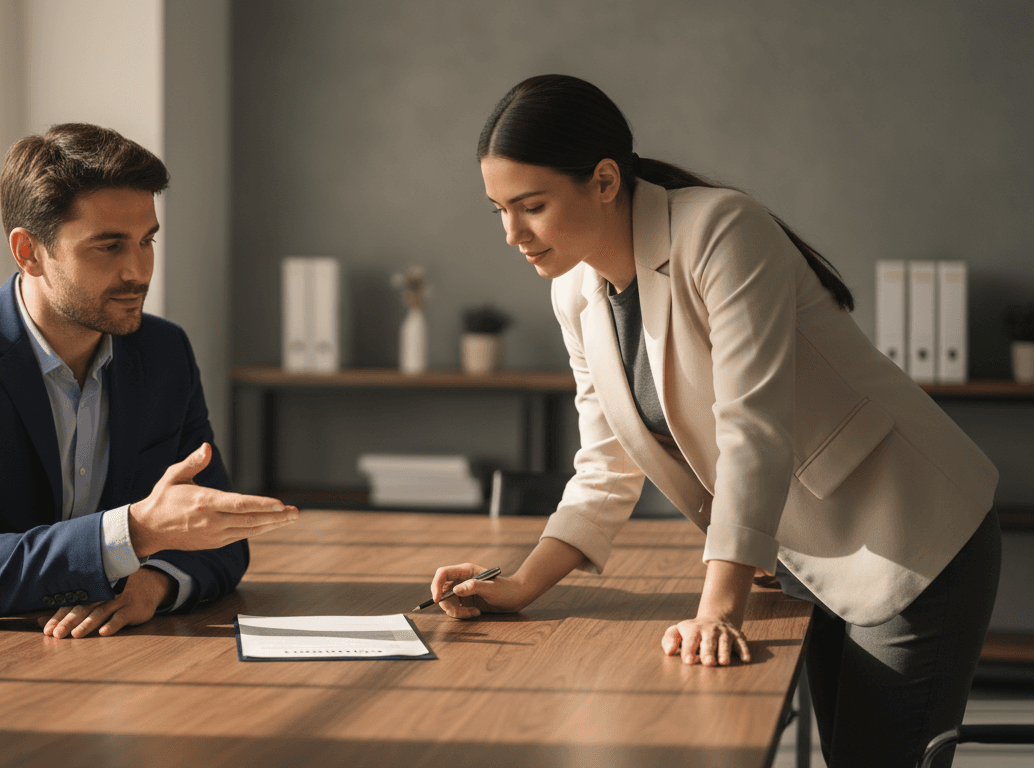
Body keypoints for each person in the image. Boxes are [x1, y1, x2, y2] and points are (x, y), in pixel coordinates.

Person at [429, 75, 1001, 768]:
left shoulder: (720, 231)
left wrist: (718, 607)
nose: (512, 234)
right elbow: (605, 464)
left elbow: (753, 427)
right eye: (498, 209)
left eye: (532, 206)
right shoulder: (575, 292)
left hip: (913, 531)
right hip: (816, 554)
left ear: (604, 180)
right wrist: (519, 585)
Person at [0, 123, 298, 655]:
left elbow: (221, 542)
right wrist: (132, 532)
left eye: (146, 241)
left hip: (82, 661)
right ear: (29, 252)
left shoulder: (163, 355)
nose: (138, 271)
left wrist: (151, 584)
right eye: (108, 246)